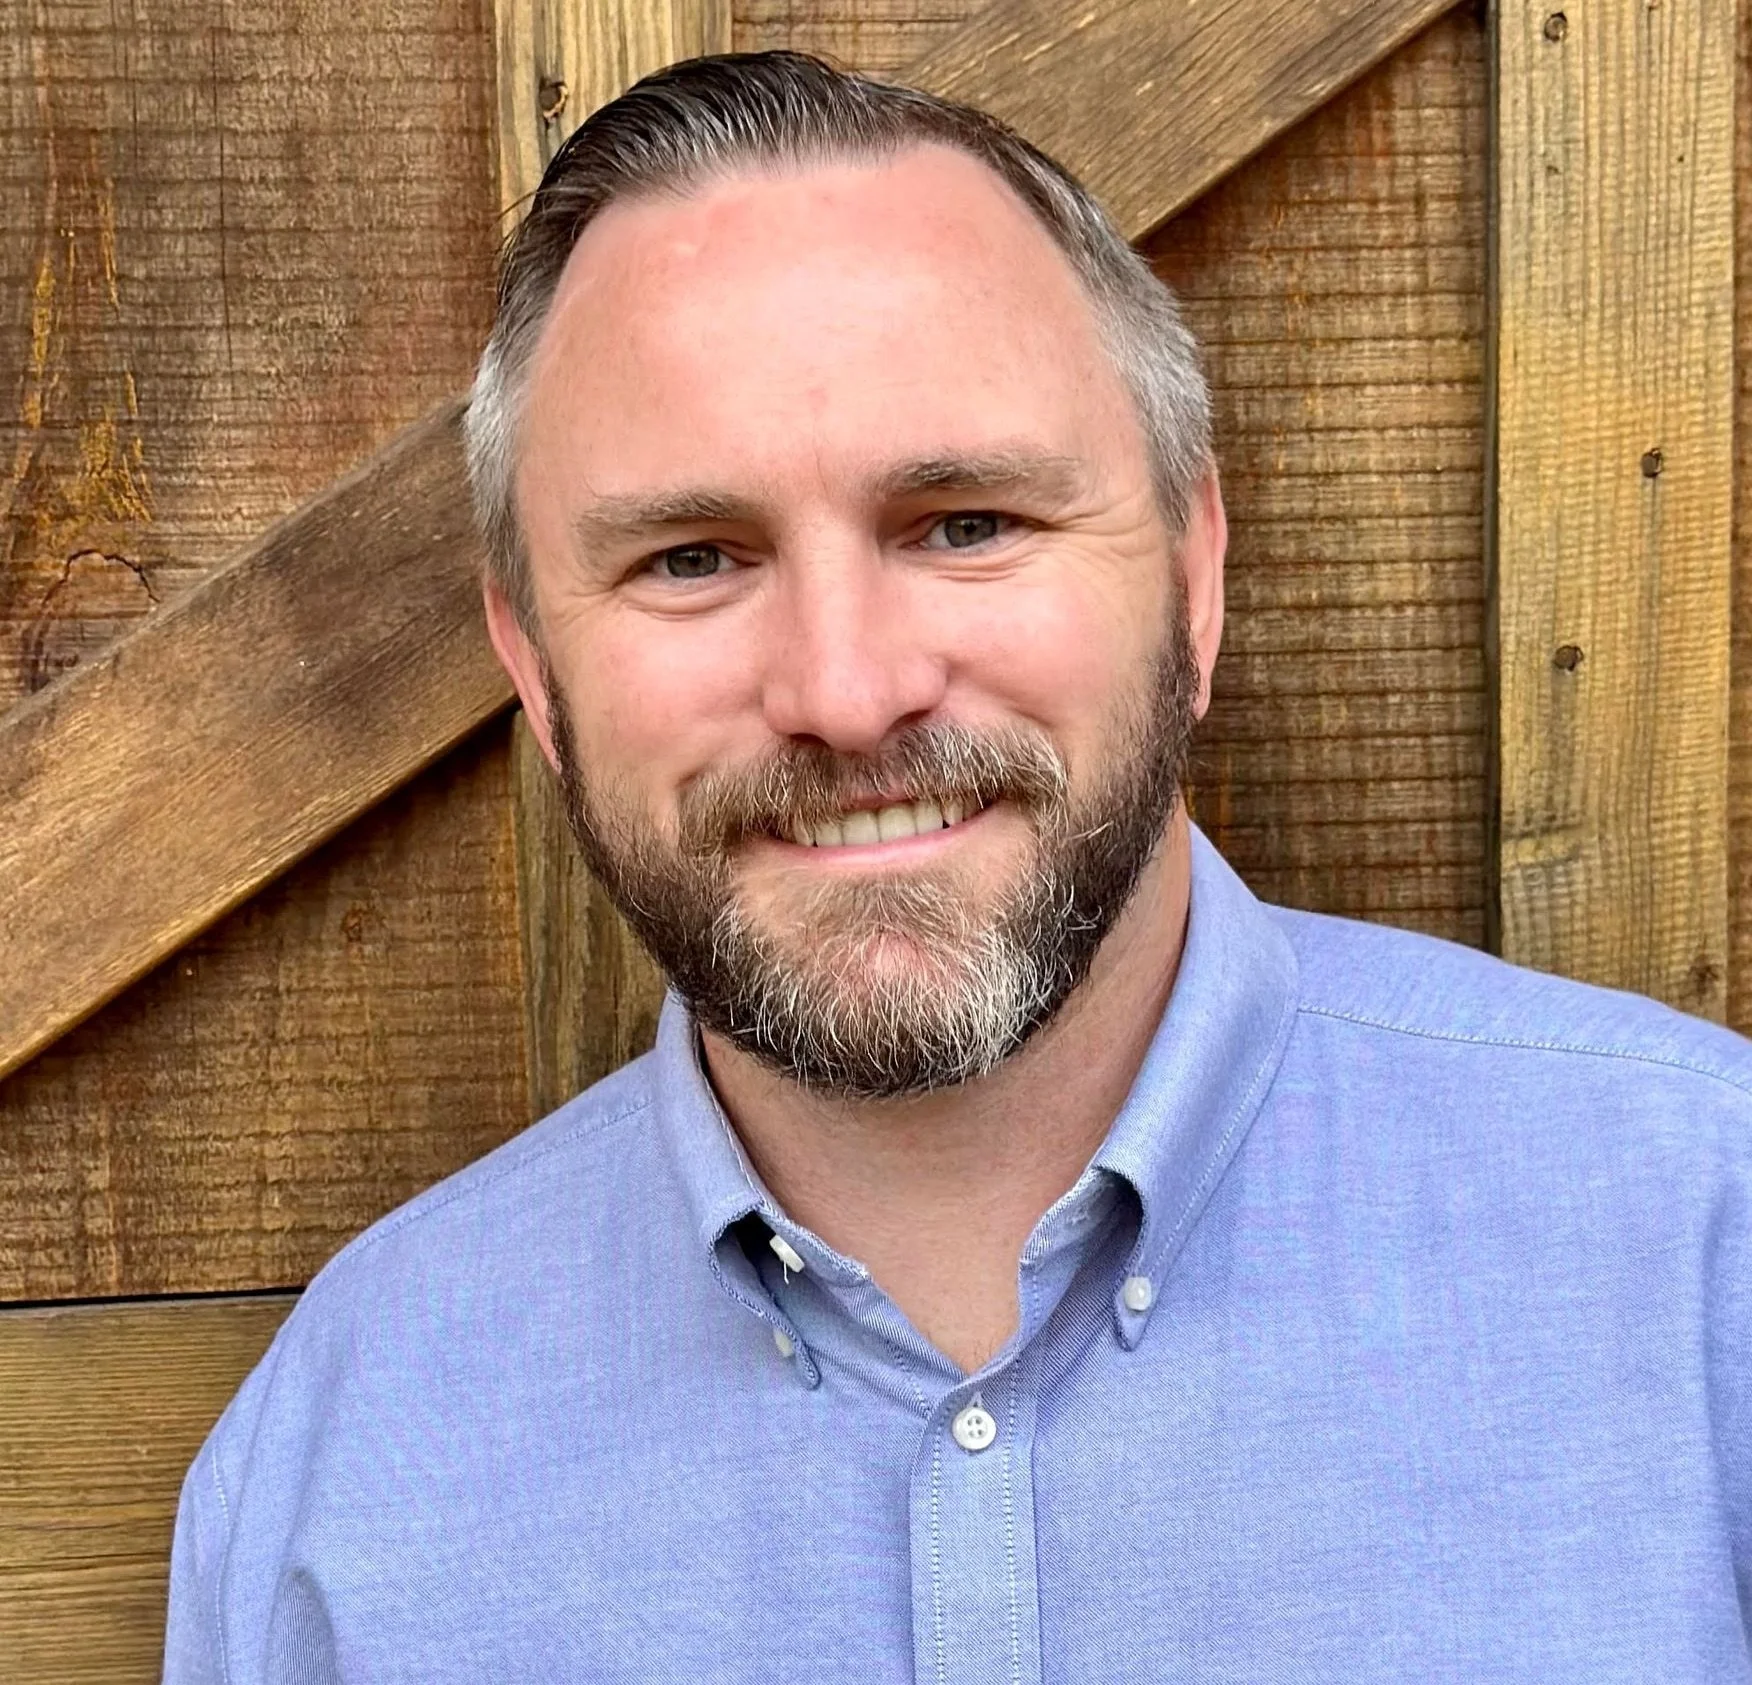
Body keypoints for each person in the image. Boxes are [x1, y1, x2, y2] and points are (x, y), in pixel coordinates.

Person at [165, 51, 1752, 1683]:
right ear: (535, 667)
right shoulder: (336, 1471)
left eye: (967, 522)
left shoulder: (1711, 1253)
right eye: (693, 560)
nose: (849, 692)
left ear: (1192, 576)